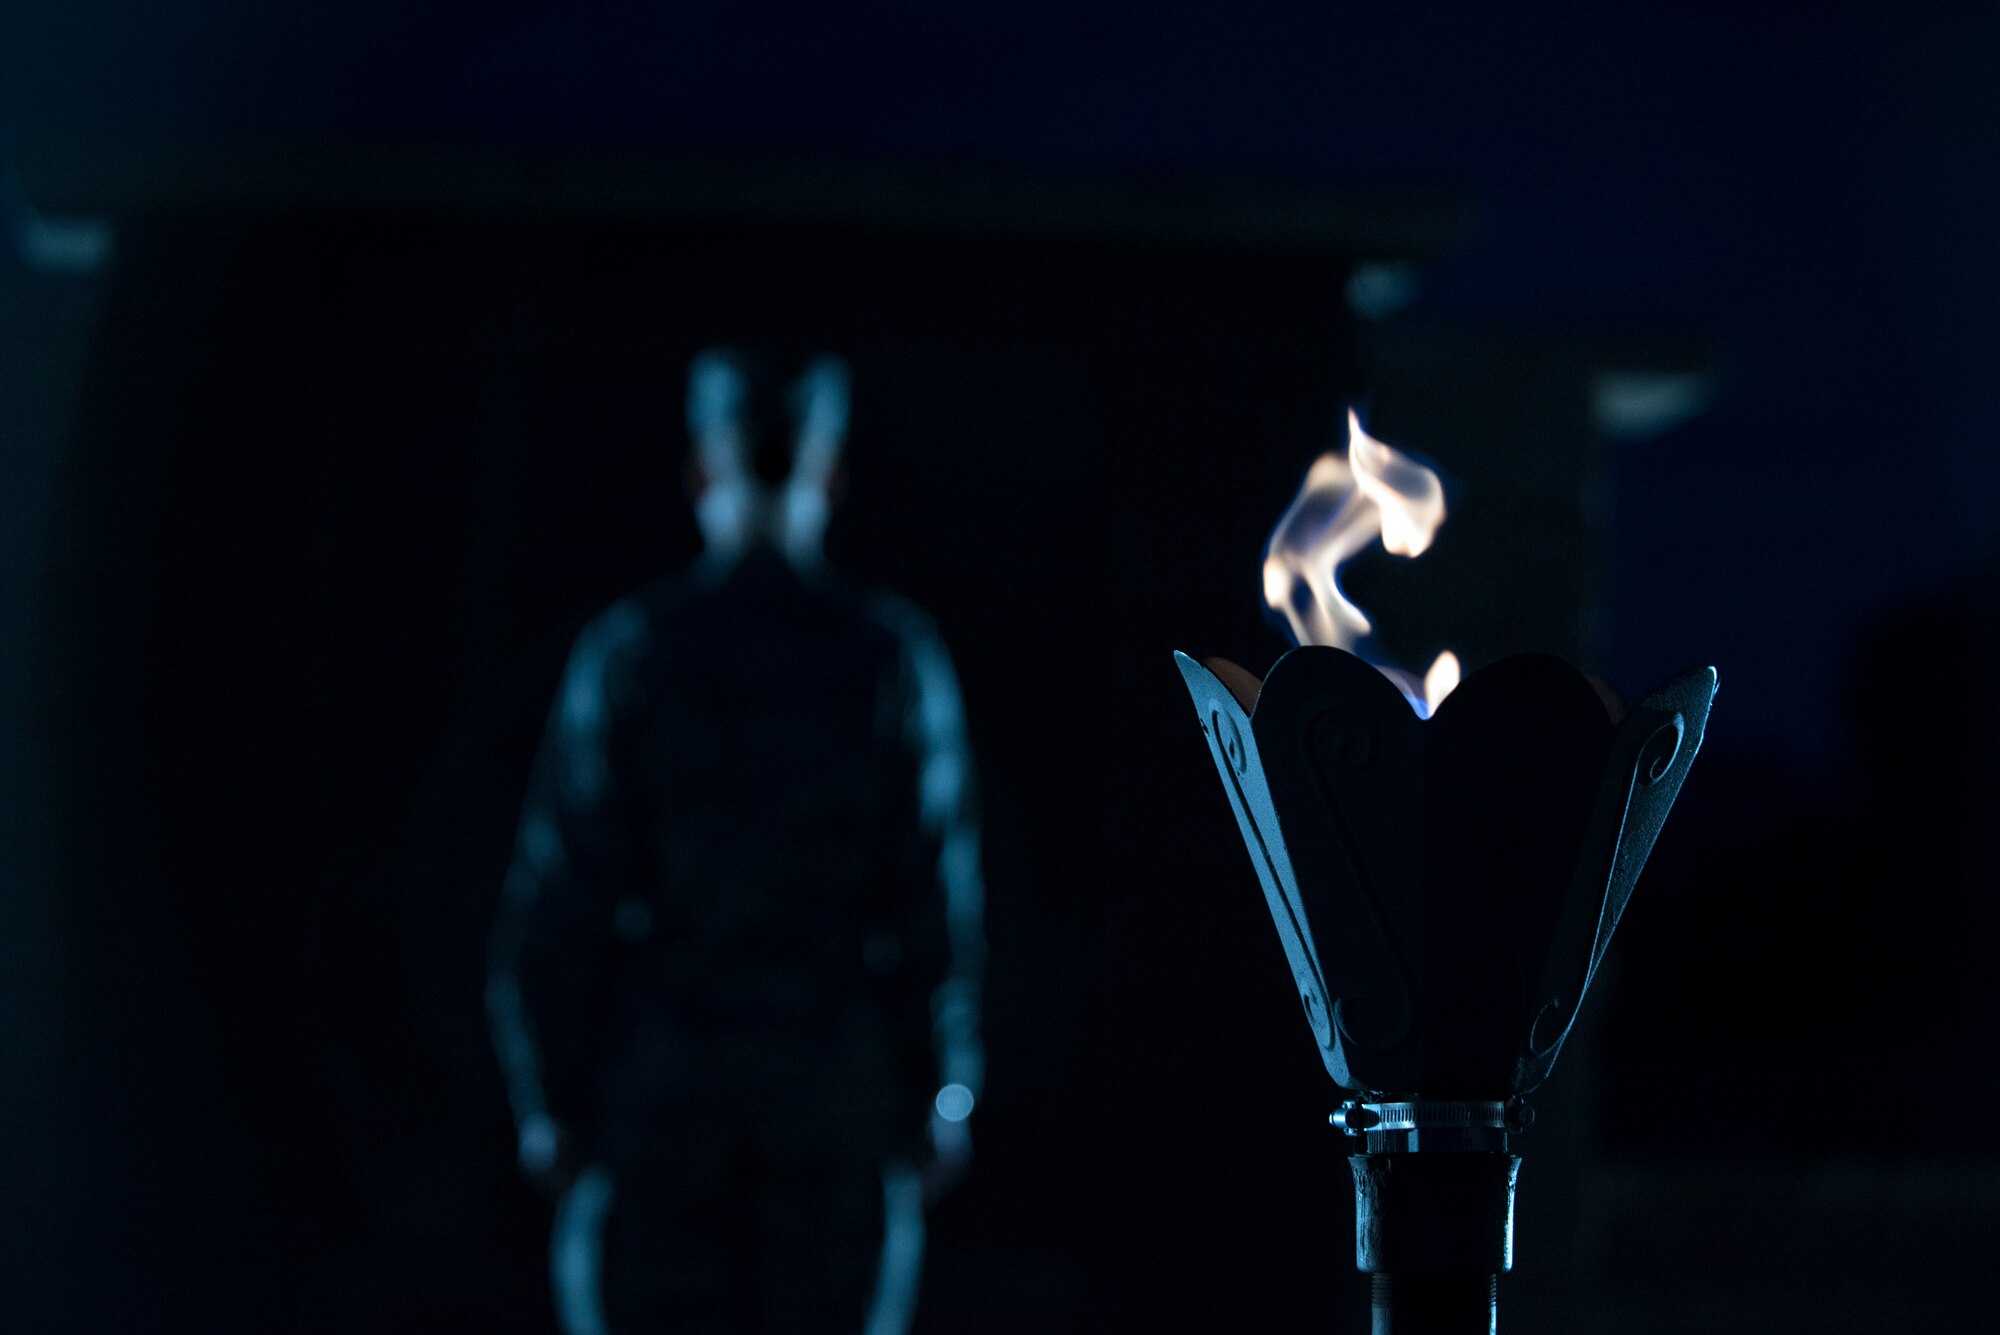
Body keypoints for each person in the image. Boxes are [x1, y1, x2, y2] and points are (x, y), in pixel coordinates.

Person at [488, 350, 983, 1335]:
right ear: (830, 475)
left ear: (699, 475)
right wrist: (942, 1091)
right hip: (821, 1098)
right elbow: (934, 900)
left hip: (670, 1092)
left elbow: (560, 895)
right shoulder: (885, 659)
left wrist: (549, 1101)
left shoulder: (638, 651)